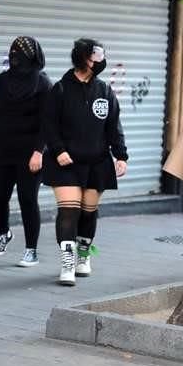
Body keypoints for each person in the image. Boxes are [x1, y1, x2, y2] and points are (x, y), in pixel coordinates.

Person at [43, 38, 127, 286]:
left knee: (88, 212)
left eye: (101, 59)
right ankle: (67, 264)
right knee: (69, 211)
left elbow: (114, 126)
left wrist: (121, 155)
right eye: (93, 59)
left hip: (97, 163)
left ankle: (83, 256)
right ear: (81, 58)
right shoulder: (59, 89)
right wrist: (58, 150)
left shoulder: (105, 91)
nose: (98, 64)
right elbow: (48, 125)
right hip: (65, 163)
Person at [0, 36, 52, 267]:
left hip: (29, 151)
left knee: (27, 199)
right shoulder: (3, 80)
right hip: (3, 147)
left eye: (20, 54)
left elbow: (48, 122)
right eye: (12, 53)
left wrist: (39, 151)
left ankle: (31, 249)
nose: (15, 57)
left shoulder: (43, 83)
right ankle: (4, 233)